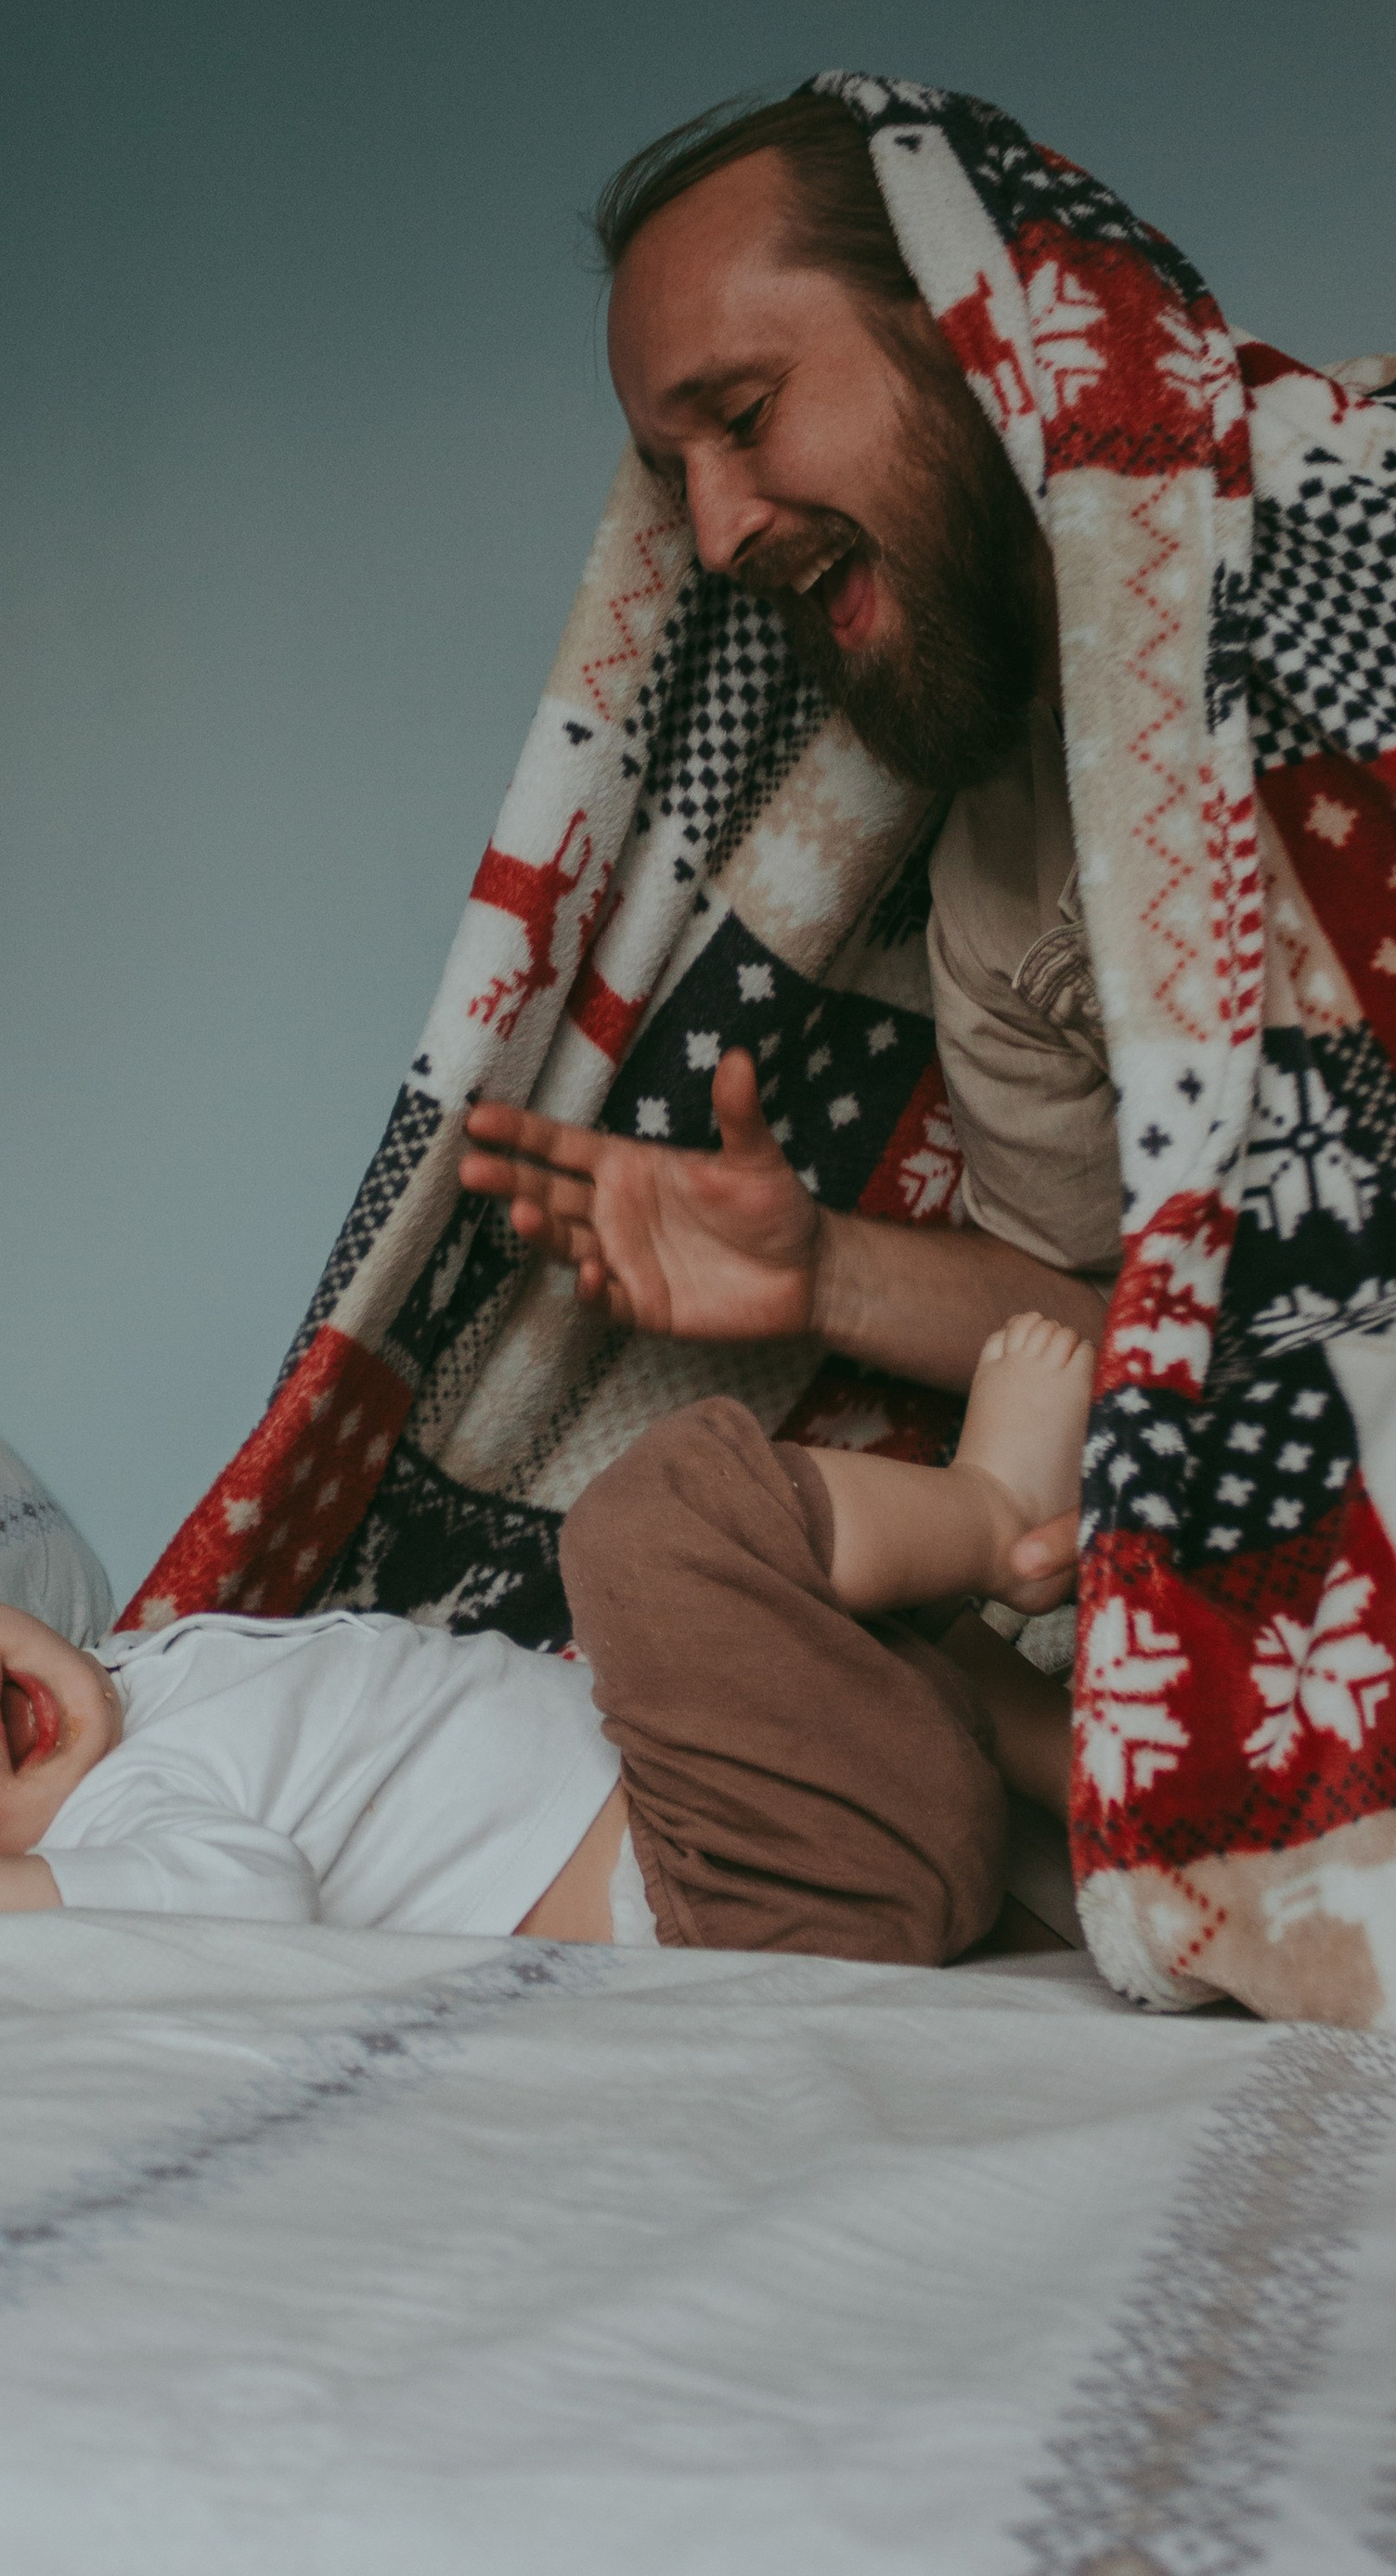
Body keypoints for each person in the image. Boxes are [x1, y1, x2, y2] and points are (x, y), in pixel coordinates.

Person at [0, 1316, 1092, 1959]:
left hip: (786, 1815)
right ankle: (995, 1504)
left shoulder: (145, 1672)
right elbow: (246, 1917)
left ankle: (1060, 1763)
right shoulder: (116, 1835)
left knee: (790, 1616)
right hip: (748, 1884)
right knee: (648, 1535)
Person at [459, 89, 1114, 1515]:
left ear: (976, 323)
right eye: (674, 480)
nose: (714, 534)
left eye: (746, 417)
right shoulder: (1001, 883)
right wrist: (826, 1270)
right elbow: (1112, 1344)